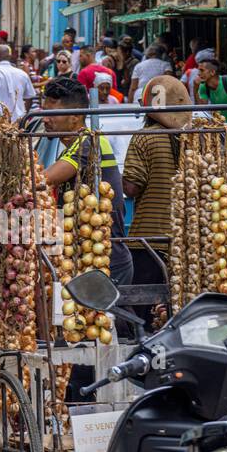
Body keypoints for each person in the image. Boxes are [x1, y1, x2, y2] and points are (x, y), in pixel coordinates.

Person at [40, 76, 134, 286]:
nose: (44, 119)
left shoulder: (89, 143)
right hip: (86, 259)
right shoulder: (76, 144)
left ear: (75, 116)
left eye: (51, 113)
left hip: (106, 260)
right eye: (43, 112)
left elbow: (43, 180)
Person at [124, 76, 192, 311]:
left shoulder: (145, 137)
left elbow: (132, 187)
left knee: (146, 311)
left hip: (148, 239)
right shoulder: (194, 140)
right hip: (187, 239)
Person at [0, 43, 37, 120]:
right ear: (10, 57)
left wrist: (1, 118)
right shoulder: (22, 74)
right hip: (18, 122)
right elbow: (29, 97)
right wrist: (22, 118)